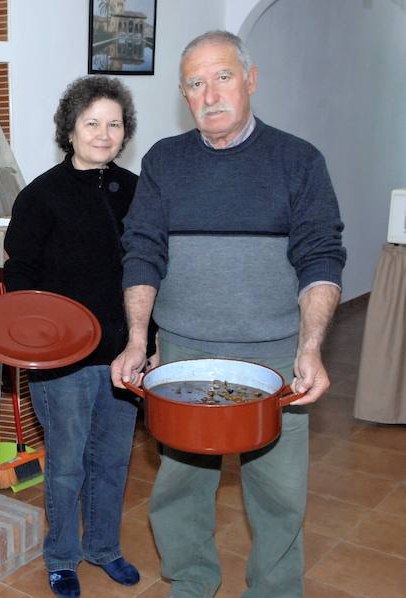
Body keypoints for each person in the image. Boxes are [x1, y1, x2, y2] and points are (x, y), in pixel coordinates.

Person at [111, 31, 346, 598]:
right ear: (183, 95)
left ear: (251, 80)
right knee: (180, 485)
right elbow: (142, 251)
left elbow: (321, 256)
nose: (210, 95)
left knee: (279, 491)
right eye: (195, 83)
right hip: (185, 355)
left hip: (275, 356)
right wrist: (139, 339)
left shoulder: (298, 160)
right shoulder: (165, 161)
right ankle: (191, 581)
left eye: (223, 77)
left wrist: (310, 348)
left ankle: (274, 590)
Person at [4, 75, 146, 597]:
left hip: (123, 355)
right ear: (70, 130)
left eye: (114, 124)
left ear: (125, 131)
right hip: (63, 360)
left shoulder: (138, 192)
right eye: (92, 123)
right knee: (65, 466)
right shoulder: (40, 196)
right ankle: (62, 556)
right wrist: (34, 345)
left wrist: (147, 341)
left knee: (111, 460)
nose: (104, 134)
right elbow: (19, 275)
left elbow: (151, 270)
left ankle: (103, 547)